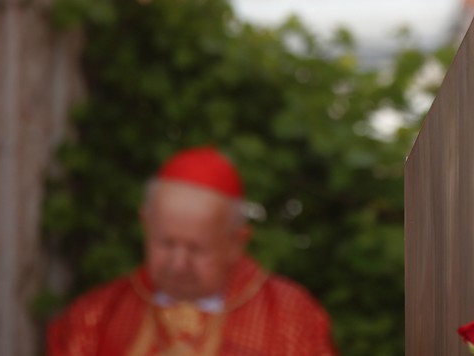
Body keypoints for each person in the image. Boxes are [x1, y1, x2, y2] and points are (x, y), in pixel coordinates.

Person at [47, 146, 338, 355]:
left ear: (237, 242)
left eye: (196, 249)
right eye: (166, 244)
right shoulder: (95, 317)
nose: (178, 264)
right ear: (146, 225)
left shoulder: (290, 317)